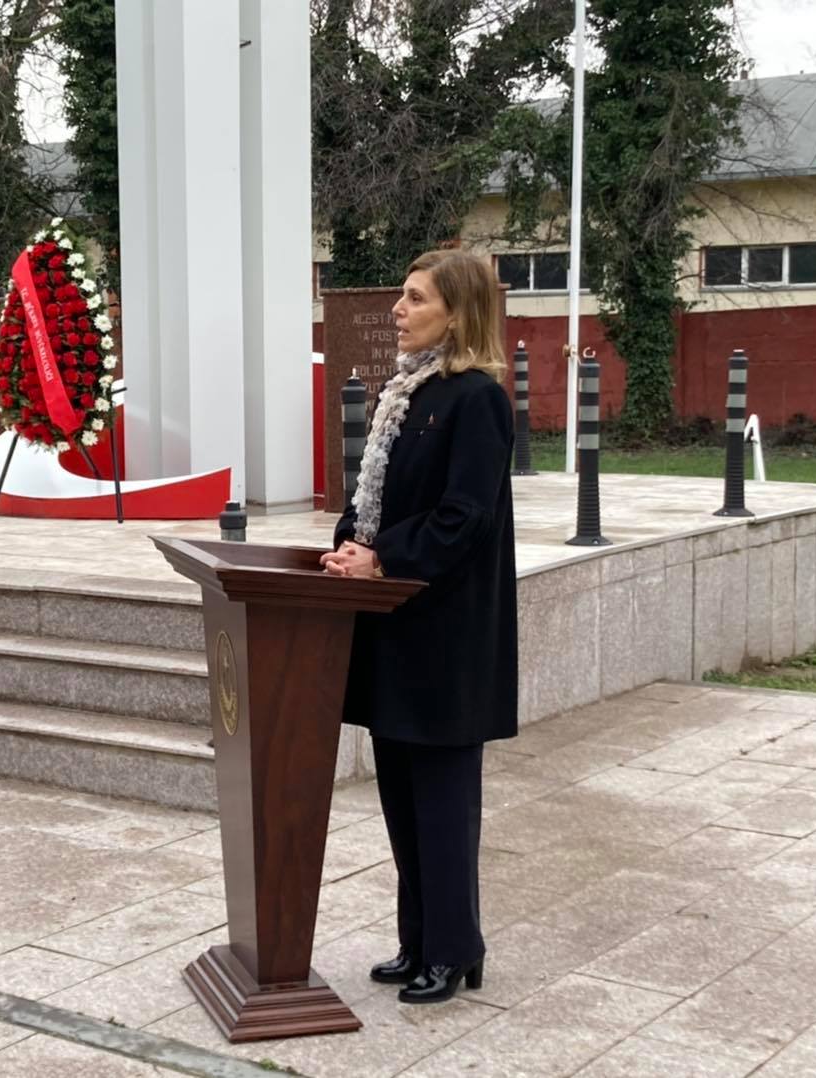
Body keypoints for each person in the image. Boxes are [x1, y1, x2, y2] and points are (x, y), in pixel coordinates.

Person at [320, 249, 518, 1005]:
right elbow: (375, 499)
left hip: (446, 634)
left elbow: (463, 518)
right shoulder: (404, 393)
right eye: (401, 296)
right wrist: (351, 544)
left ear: (457, 315)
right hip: (394, 625)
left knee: (441, 803)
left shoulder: (477, 399)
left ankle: (456, 949)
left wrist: (383, 557)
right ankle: (419, 944)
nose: (398, 310)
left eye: (415, 298)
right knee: (403, 798)